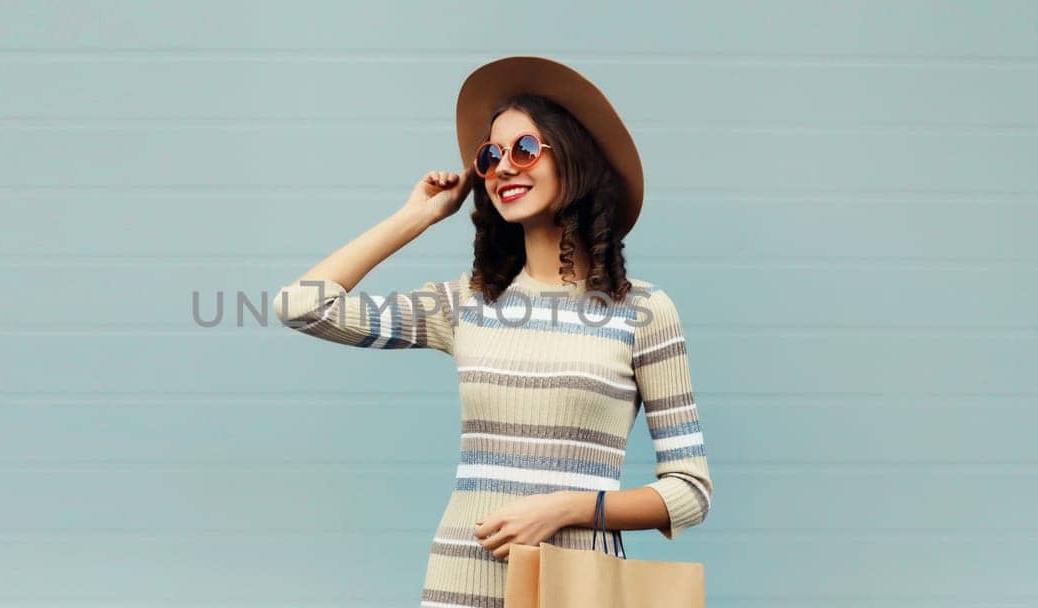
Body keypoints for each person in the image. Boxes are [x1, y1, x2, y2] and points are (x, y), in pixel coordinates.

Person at [271, 56, 711, 608]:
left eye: (524, 149)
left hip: (574, 588)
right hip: (460, 582)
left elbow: (689, 492)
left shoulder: (643, 311)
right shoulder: (466, 303)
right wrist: (418, 217)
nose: (503, 167)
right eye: (489, 156)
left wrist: (569, 506)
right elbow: (302, 306)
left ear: (573, 160)